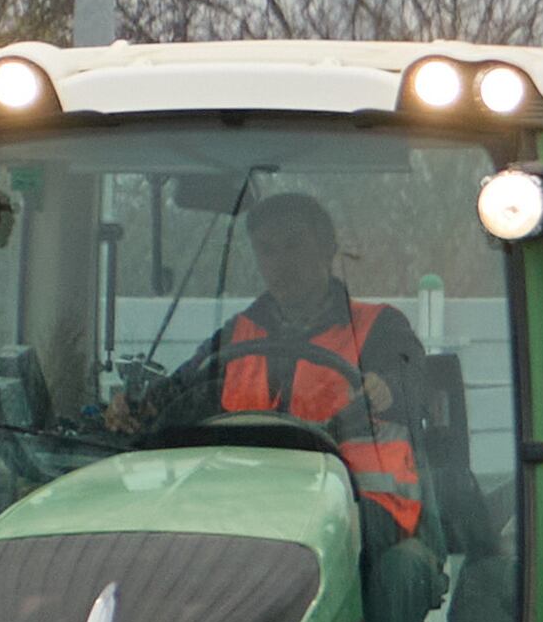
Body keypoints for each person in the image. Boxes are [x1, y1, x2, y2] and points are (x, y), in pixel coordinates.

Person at [112, 189, 428, 542]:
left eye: (294, 245)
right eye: (267, 250)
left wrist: (387, 388)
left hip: (361, 510)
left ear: (327, 249)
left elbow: (414, 384)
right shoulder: (236, 336)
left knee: (405, 569)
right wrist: (135, 411)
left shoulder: (378, 327)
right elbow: (178, 394)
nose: (281, 262)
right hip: (249, 507)